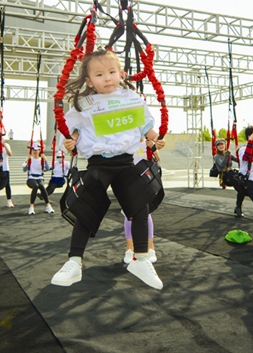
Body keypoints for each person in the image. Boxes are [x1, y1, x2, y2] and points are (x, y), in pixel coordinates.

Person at [50, 49, 166, 290]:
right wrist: (70, 140)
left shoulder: (131, 98)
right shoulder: (84, 104)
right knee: (85, 208)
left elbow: (145, 125)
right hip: (98, 164)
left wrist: (155, 138)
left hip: (125, 163)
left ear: (121, 73)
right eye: (100, 74)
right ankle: (74, 261)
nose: (108, 78)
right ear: (89, 80)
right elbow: (73, 130)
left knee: (140, 208)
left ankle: (141, 258)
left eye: (112, 72)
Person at [123, 140, 158, 264]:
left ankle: (150, 247)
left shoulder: (146, 142)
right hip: (128, 179)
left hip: (144, 180)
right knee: (129, 212)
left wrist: (152, 146)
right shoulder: (125, 140)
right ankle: (129, 249)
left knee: (146, 213)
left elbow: (158, 159)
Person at [23, 143, 53, 215]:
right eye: (33, 149)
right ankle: (31, 207)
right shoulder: (29, 159)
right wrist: (27, 160)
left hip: (39, 177)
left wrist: (45, 159)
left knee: (41, 186)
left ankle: (48, 205)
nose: (35, 151)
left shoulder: (41, 160)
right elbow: (24, 169)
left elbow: (48, 168)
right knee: (36, 186)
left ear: (40, 150)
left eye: (36, 150)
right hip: (31, 178)